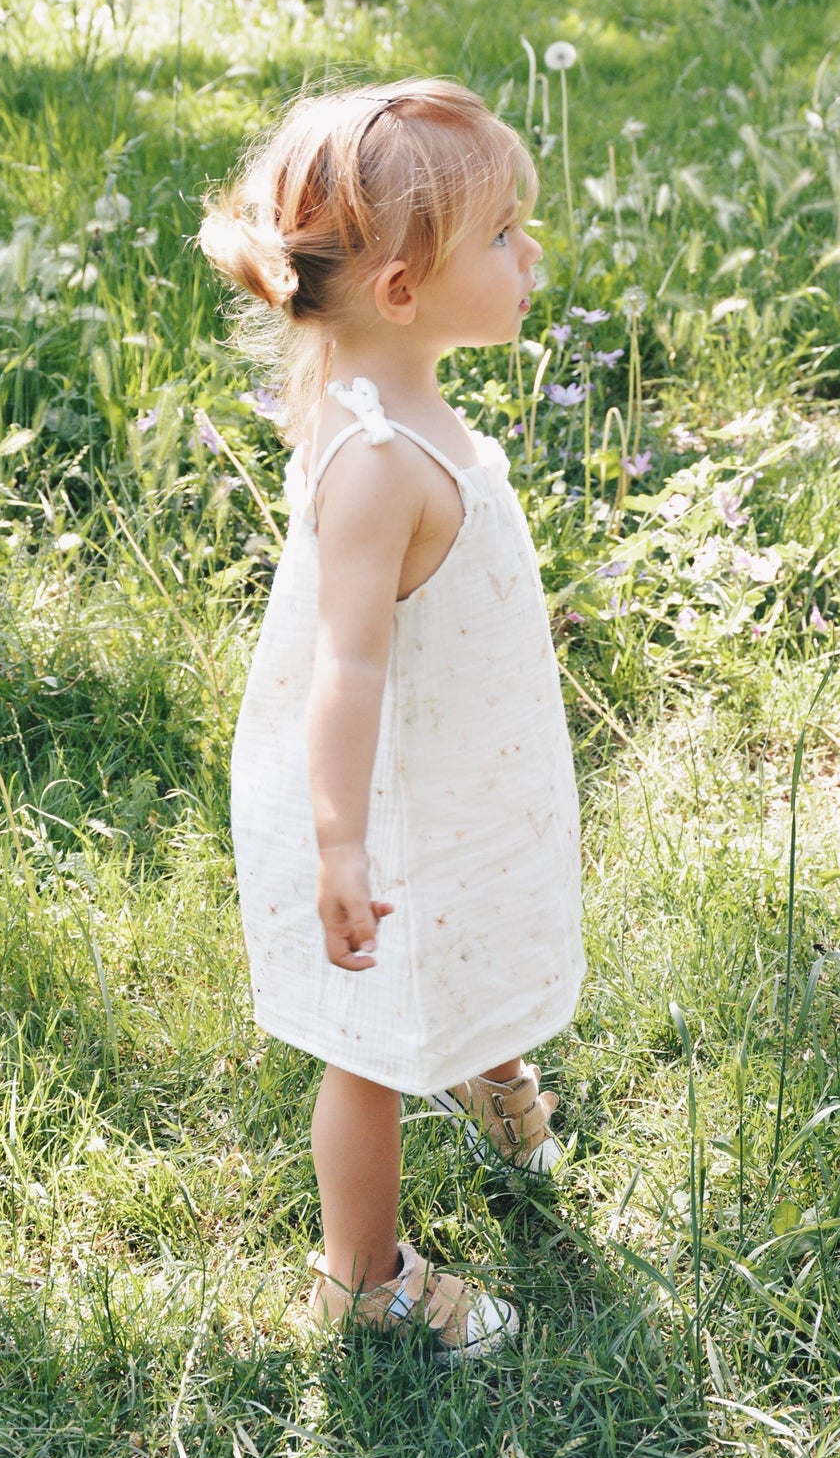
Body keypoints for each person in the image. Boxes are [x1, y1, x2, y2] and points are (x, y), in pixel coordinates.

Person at [199, 79, 584, 1363]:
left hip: (452, 764)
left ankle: (485, 1068)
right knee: (365, 1044)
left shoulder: (395, 390)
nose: (529, 253)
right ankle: (363, 1277)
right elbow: (344, 668)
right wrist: (340, 847)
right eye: (501, 236)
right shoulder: (374, 460)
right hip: (376, 796)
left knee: (483, 909)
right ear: (405, 292)